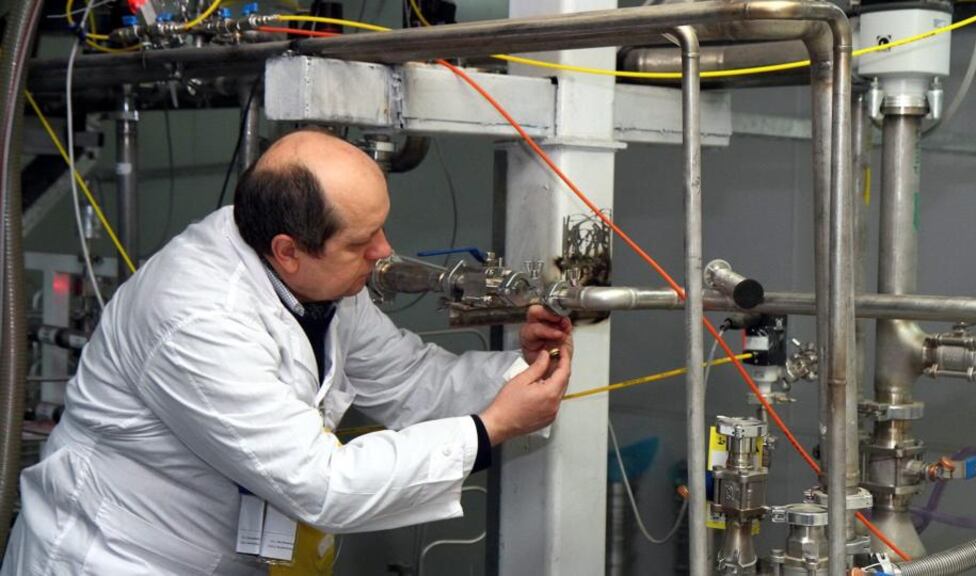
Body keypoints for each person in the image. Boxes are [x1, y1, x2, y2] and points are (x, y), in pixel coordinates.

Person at [1, 129, 573, 575]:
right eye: (361, 242)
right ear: (289, 250)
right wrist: (488, 429)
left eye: (381, 230)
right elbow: (320, 485)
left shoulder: (313, 278)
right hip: (117, 560)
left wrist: (519, 372)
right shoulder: (198, 317)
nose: (383, 252)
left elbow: (407, 379)